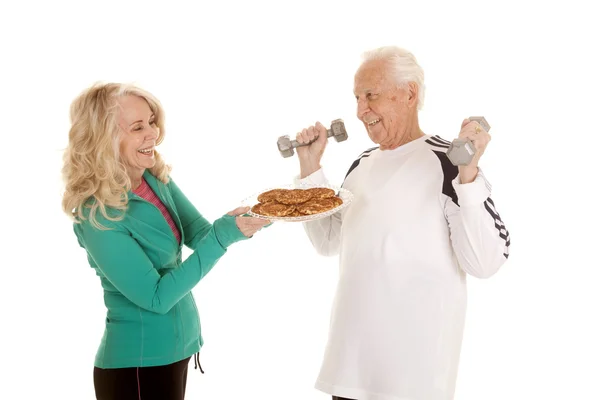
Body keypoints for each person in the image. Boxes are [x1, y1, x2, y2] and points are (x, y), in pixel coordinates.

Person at [293, 46, 511, 400]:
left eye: (371, 96)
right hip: (348, 373)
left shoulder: (447, 161)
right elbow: (328, 241)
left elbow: (485, 262)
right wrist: (309, 168)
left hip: (414, 381)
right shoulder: (362, 163)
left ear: (409, 93)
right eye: (358, 98)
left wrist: (468, 173)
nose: (361, 110)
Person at [61, 82, 270, 400]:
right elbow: (156, 297)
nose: (153, 134)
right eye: (137, 127)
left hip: (177, 350)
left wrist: (250, 219)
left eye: (152, 121)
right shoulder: (98, 215)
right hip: (136, 367)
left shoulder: (151, 178)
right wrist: (225, 236)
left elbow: (201, 235)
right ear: (104, 139)